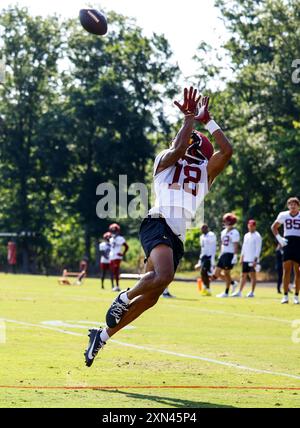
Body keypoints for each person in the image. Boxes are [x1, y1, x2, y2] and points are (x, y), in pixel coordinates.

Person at [84, 86, 233, 367]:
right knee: (163, 276)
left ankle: (101, 336)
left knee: (152, 297)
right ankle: (123, 296)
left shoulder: (204, 171)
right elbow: (178, 147)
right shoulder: (165, 161)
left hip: (176, 235)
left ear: (196, 147)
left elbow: (227, 150)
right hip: (158, 222)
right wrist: (189, 117)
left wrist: (208, 120)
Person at [271, 197, 300, 304]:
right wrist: (279, 238)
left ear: (298, 206)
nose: (292, 206)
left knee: (298, 271)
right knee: (286, 270)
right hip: (287, 243)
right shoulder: (284, 215)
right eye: (290, 204)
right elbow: (274, 227)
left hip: (298, 243)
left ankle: (296, 296)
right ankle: (285, 295)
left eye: (295, 204)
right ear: (288, 206)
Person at [231, 219, 262, 298]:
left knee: (252, 276)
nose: (250, 227)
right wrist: (241, 257)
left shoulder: (257, 236)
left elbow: (258, 249)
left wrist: (255, 260)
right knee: (243, 275)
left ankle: (252, 292)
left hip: (253, 259)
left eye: (252, 226)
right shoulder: (246, 235)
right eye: (249, 226)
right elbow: (244, 247)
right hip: (246, 259)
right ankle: (239, 291)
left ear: (255, 226)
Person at [212, 213, 240, 298]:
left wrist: (235, 256)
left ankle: (226, 292)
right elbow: (222, 244)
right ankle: (232, 283)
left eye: (225, 221)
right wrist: (220, 253)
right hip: (223, 254)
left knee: (226, 273)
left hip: (230, 254)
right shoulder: (223, 232)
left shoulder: (235, 232)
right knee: (216, 274)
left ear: (230, 221)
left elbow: (235, 245)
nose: (224, 222)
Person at [195, 224, 217, 296]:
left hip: (209, 257)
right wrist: (199, 261)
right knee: (203, 273)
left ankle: (207, 288)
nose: (202, 230)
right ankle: (206, 288)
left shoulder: (211, 235)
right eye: (201, 229)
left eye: (203, 228)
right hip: (204, 257)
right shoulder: (202, 237)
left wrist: (212, 259)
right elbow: (203, 249)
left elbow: (212, 245)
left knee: (205, 272)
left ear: (207, 228)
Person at [109, 223, 129, 292]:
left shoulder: (120, 238)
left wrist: (122, 254)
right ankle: (113, 286)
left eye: (114, 231)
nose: (113, 232)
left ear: (118, 231)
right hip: (111, 256)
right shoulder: (111, 239)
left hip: (117, 256)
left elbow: (126, 247)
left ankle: (117, 286)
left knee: (116, 271)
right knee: (112, 271)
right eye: (112, 231)